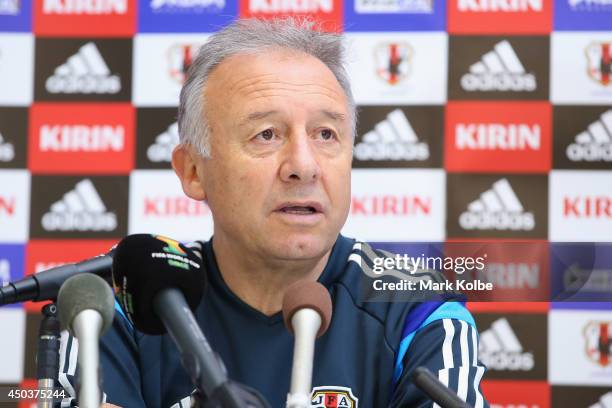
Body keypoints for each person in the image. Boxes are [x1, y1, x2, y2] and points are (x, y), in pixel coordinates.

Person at [56, 18, 489, 408]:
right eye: (266, 134)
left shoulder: (416, 308)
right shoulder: (118, 301)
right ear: (192, 171)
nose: (304, 165)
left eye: (326, 133)